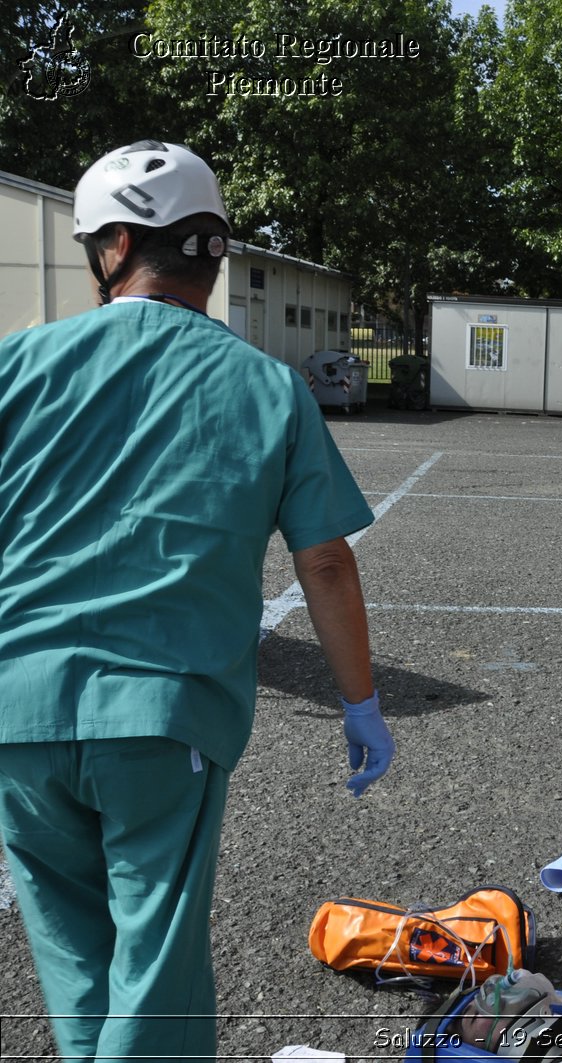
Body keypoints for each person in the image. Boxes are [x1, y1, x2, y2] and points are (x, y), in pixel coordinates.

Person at [0, 140, 395, 1059]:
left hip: (16, 709)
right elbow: (326, 562)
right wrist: (361, 701)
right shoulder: (267, 387)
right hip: (163, 715)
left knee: (72, 949)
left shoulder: (16, 365)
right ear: (209, 250)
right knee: (158, 961)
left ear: (117, 245)